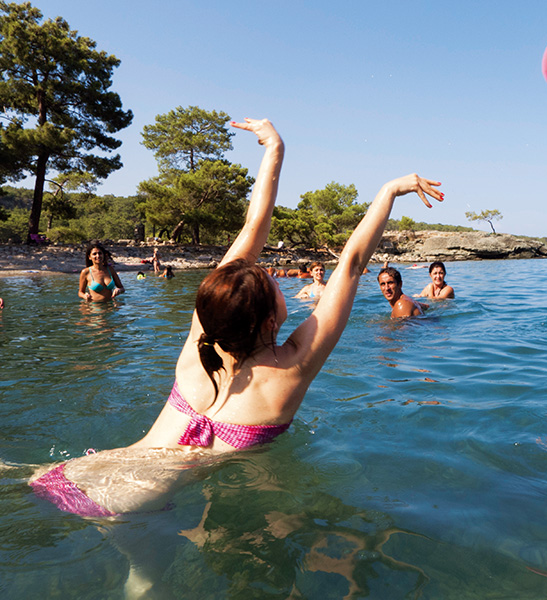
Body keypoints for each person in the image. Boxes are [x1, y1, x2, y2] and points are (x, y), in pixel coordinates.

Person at [29, 116, 444, 518]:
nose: (273, 280)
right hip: (137, 503)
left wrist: (274, 151)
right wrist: (389, 191)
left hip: (75, 476)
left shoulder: (199, 342)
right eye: (273, 285)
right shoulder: (288, 373)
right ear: (269, 320)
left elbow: (251, 230)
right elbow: (351, 264)